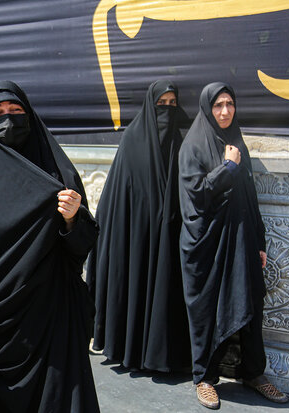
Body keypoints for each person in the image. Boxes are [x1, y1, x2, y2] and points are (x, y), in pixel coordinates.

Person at [0, 80, 100, 413]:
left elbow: (79, 248)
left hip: (50, 319)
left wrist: (72, 220)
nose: (8, 119)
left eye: (16, 111)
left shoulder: (56, 171)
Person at [178, 82, 289, 409]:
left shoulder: (236, 141)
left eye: (229, 104)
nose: (225, 111)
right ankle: (204, 378)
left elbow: (249, 197)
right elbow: (195, 198)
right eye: (218, 106)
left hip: (241, 242)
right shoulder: (193, 147)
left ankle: (254, 373)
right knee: (208, 312)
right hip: (208, 248)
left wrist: (259, 240)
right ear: (206, 109)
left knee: (250, 304)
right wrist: (226, 168)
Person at [90, 80, 191, 372]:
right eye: (163, 104)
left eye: (173, 104)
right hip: (135, 236)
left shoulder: (177, 144)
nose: (168, 110)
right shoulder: (133, 140)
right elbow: (117, 198)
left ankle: (159, 355)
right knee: (135, 286)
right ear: (151, 105)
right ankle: (130, 351)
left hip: (167, 238)